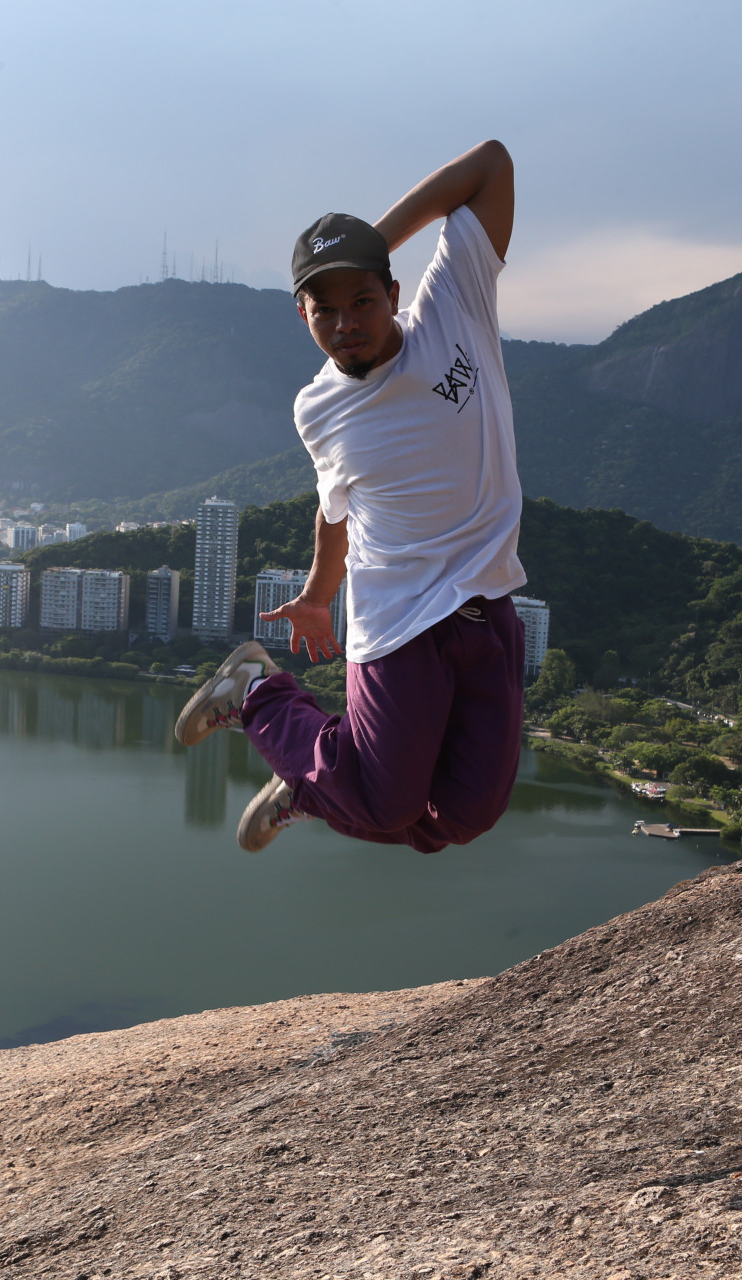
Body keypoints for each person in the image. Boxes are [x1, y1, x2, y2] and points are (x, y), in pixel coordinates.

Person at [174, 139, 527, 853]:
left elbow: (491, 164)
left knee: (466, 815)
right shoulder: (319, 409)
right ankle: (256, 694)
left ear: (392, 292)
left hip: (488, 605)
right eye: (324, 309)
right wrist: (315, 594)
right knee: (389, 804)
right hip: (398, 623)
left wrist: (368, 244)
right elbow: (336, 512)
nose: (347, 323)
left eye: (362, 299)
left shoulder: (455, 306)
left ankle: (311, 780)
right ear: (301, 316)